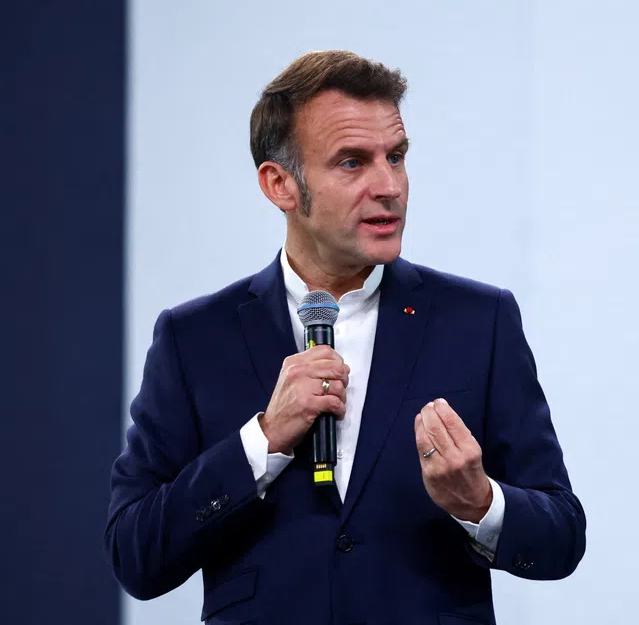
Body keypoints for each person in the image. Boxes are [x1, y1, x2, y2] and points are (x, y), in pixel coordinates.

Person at [105, 51, 586, 624]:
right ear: (280, 184)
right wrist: (262, 442)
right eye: (353, 162)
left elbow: (561, 538)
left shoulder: (479, 321)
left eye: (396, 157)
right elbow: (136, 555)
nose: (389, 186)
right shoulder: (194, 338)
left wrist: (480, 502)